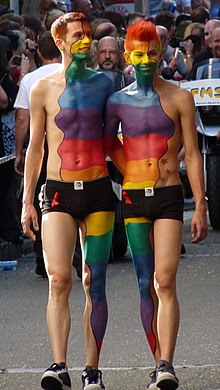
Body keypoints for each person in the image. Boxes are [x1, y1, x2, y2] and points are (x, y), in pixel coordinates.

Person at [21, 11, 124, 390]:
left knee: (93, 281)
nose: (85, 41)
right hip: (58, 191)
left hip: (98, 192)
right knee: (59, 279)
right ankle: (59, 364)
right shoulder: (42, 88)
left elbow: (115, 140)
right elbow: (34, 149)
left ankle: (91, 370)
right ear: (60, 42)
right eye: (77, 35)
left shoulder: (106, 85)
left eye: (88, 35)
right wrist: (27, 201)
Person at [104, 20, 208, 390]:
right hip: (133, 195)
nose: (146, 60)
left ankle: (167, 364)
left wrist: (201, 207)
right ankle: (156, 362)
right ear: (127, 55)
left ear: (161, 53)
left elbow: (193, 155)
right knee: (144, 282)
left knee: (165, 280)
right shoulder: (117, 100)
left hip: (167, 194)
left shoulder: (180, 97)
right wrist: (126, 166)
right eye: (138, 53)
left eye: (152, 53)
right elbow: (105, 142)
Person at [14, 31, 61, 277]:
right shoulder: (74, 73)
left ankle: (43, 257)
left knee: (40, 199)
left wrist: (20, 151)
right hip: (70, 147)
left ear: (39, 53)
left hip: (40, 145)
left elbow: (23, 118)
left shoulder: (31, 79)